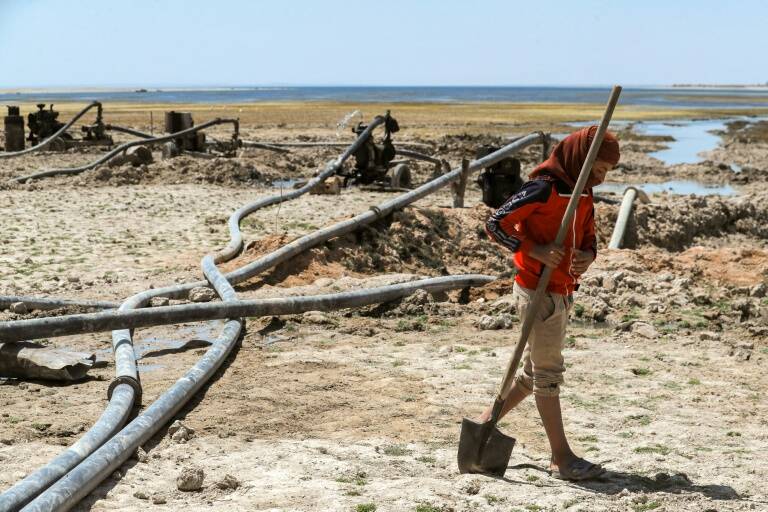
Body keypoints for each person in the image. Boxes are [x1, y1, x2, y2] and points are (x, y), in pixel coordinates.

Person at [481, 126, 620, 481]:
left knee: (531, 376)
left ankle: (484, 425)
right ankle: (562, 458)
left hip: (561, 291)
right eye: (598, 170)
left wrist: (587, 256)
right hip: (537, 291)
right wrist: (534, 249)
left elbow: (589, 238)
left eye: (606, 173)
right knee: (547, 375)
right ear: (580, 158)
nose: (601, 179)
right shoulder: (544, 188)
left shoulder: (584, 194)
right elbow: (496, 223)